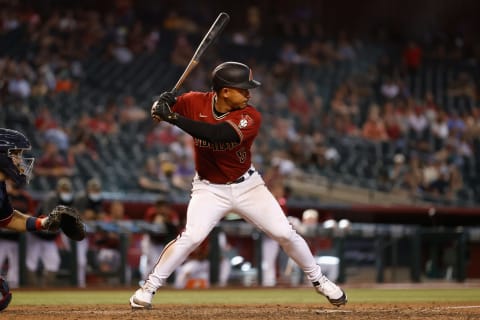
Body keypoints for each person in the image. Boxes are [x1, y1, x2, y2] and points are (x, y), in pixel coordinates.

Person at [130, 61, 347, 309]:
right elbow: (158, 113)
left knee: (284, 233)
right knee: (191, 237)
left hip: (248, 186)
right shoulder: (192, 101)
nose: (248, 93)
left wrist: (174, 117)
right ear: (224, 91)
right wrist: (161, 104)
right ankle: (147, 288)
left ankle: (319, 281)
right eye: (242, 89)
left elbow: (216, 134)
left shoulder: (250, 115)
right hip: (209, 188)